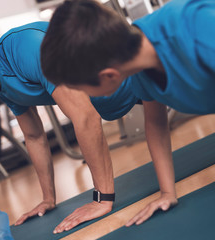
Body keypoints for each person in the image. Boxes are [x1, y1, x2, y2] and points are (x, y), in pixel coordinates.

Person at [0, 21, 141, 234]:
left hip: (143, 69)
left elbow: (85, 117)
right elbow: (34, 136)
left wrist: (102, 199)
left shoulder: (25, 47)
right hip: (132, 92)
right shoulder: (1, 85)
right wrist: (48, 199)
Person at [41, 0, 214, 229]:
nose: (83, 95)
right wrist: (166, 192)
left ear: (109, 76)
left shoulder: (196, 28)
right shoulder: (138, 65)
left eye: (82, 89)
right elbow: (155, 124)